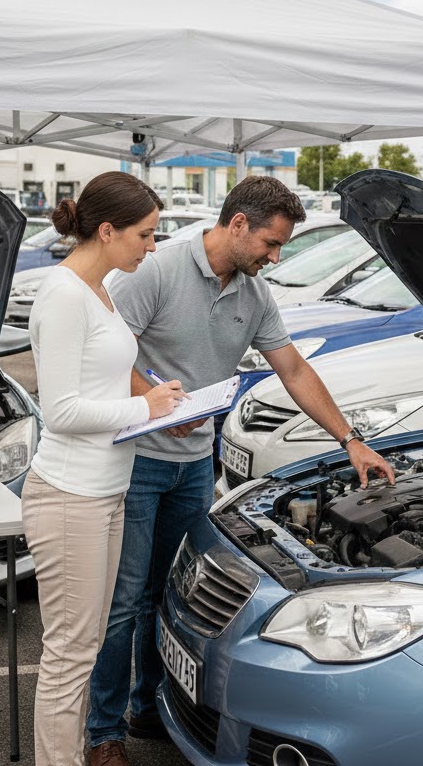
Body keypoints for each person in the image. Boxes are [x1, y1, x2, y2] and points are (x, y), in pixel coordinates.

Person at [86, 175, 395, 766]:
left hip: (196, 466)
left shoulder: (254, 294)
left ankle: (148, 706)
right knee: (125, 601)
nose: (275, 257)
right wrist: (153, 404)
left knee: (171, 592)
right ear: (237, 225)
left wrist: (351, 439)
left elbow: (295, 370)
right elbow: (106, 355)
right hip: (137, 462)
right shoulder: (157, 269)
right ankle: (104, 735)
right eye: (271, 244)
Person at [22, 171, 188, 766]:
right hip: (71, 495)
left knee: (83, 648)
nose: (152, 246)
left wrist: (153, 401)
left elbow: (104, 380)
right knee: (70, 656)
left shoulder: (100, 289)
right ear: (108, 230)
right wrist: (146, 406)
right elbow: (62, 411)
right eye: (145, 235)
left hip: (103, 491)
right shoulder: (65, 294)